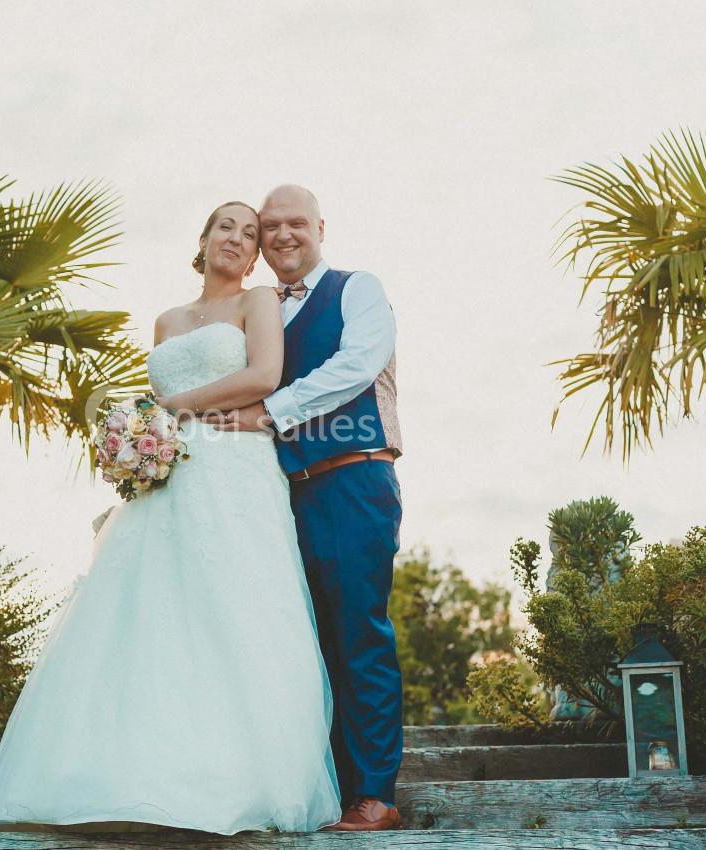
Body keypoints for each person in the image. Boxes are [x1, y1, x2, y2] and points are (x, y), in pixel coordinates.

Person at [0, 201, 342, 834]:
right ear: (202, 238)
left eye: (249, 234)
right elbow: (161, 404)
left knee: (234, 609)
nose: (238, 238)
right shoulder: (167, 321)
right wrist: (141, 436)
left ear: (255, 256)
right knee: (147, 613)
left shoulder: (257, 305)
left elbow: (264, 376)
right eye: (227, 226)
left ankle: (233, 781)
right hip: (169, 481)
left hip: (236, 474)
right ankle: (125, 778)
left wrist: (174, 405)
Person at [216, 184, 405, 832]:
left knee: (359, 632)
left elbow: (356, 366)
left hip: (355, 481)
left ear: (320, 226)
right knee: (303, 642)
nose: (283, 235)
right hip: (284, 494)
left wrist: (271, 411)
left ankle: (375, 792)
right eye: (271, 227)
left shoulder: (358, 288)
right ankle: (325, 788)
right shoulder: (261, 313)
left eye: (296, 222)